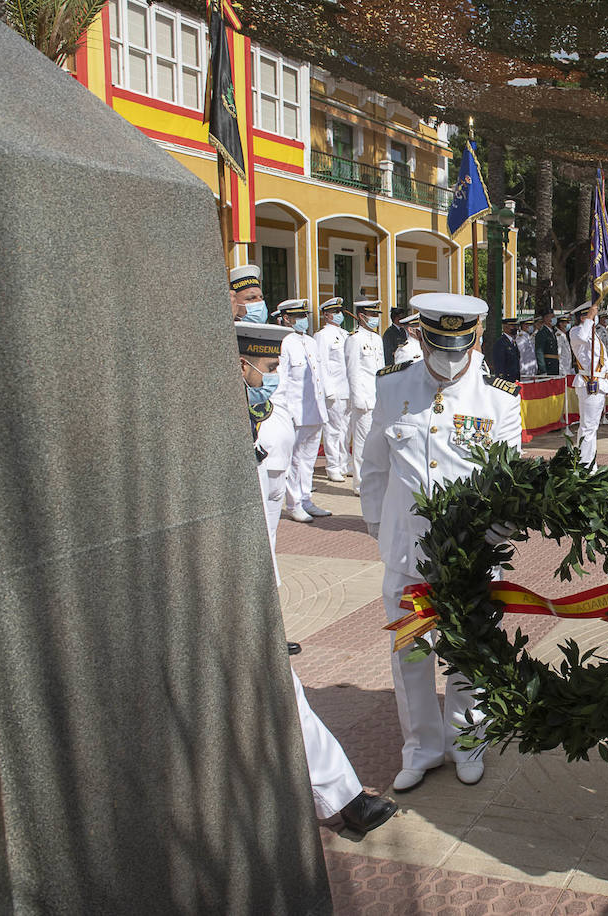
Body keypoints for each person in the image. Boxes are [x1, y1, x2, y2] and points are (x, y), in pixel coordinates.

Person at [234, 320, 399, 841]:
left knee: (274, 687)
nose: (275, 376)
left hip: (247, 582)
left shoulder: (264, 421)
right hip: (228, 585)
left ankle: (342, 797)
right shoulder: (246, 423)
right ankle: (342, 798)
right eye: (267, 368)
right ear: (239, 366)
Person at [358, 293, 523, 792]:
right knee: (411, 655)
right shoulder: (393, 388)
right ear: (420, 336)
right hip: (409, 557)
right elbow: (375, 466)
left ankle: (468, 741)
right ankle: (421, 748)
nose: (449, 359)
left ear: (474, 339)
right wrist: (378, 529)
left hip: (471, 558)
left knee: (468, 651)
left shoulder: (501, 398)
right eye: (439, 347)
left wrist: (501, 527)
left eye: (459, 348)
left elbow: (509, 481)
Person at [271, 298, 331, 523]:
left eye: (304, 316)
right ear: (286, 318)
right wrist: (284, 411)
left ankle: (306, 499)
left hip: (314, 410)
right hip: (295, 411)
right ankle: (293, 503)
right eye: (297, 317)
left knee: (308, 460)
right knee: (294, 460)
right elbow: (282, 379)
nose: (302, 320)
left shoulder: (311, 341)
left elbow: (319, 376)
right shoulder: (283, 342)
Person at [344, 300, 385, 498]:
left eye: (377, 314)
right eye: (372, 314)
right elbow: (352, 371)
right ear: (361, 316)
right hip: (363, 399)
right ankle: (360, 484)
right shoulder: (354, 339)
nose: (376, 318)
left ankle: (372, 479)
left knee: (375, 441)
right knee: (361, 444)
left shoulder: (377, 339)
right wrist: (357, 399)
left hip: (377, 397)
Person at [314, 297, 352, 483]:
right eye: (334, 312)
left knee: (346, 430)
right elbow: (320, 364)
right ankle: (333, 466)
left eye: (340, 312)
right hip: (334, 390)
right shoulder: (322, 336)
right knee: (333, 430)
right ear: (326, 315)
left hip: (348, 389)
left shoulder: (346, 334)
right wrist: (327, 390)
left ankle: (344, 463)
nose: (338, 315)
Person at [569, 300, 608, 466]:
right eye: (592, 314)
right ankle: (585, 464)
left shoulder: (594, 334)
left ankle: (589, 462)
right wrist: (590, 318)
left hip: (599, 383)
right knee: (587, 427)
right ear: (583, 317)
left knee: (592, 427)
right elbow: (580, 336)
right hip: (589, 382)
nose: (596, 318)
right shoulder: (577, 331)